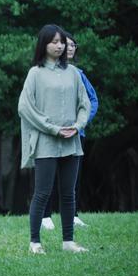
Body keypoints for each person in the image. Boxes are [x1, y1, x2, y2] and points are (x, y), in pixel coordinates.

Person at [19, 25, 91, 254]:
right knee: (42, 192)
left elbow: (85, 104)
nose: (59, 46)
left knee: (69, 193)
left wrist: (77, 126)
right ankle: (35, 242)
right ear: (44, 44)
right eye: (54, 42)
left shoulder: (73, 73)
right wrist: (51, 128)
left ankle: (68, 241)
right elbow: (25, 107)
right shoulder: (35, 73)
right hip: (46, 142)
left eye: (62, 42)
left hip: (71, 140)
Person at [40, 33, 98, 230]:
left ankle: (72, 215)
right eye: (66, 44)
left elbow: (92, 101)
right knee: (48, 175)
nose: (70, 48)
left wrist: (80, 124)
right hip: (51, 133)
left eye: (73, 45)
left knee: (73, 177)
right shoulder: (42, 72)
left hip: (75, 134)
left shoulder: (78, 73)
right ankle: (45, 216)